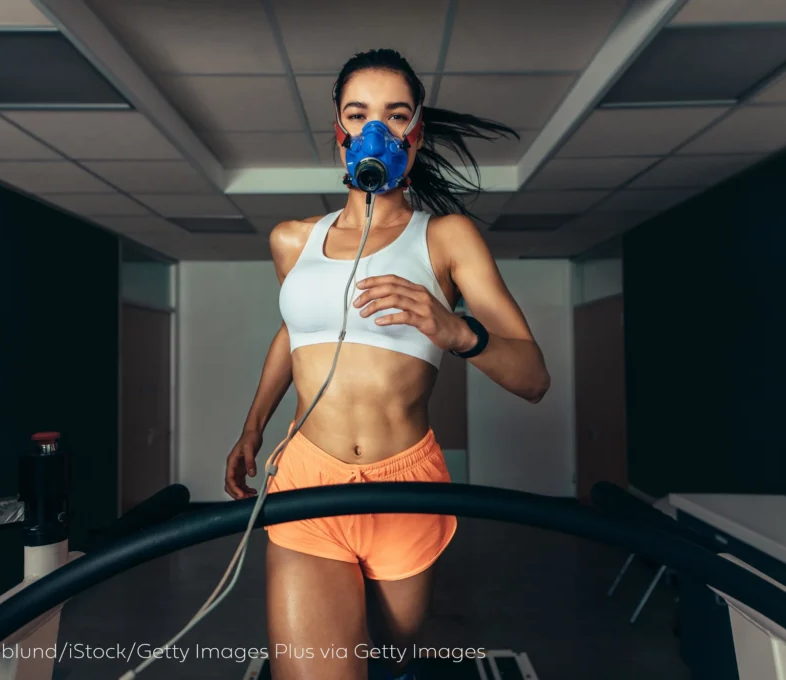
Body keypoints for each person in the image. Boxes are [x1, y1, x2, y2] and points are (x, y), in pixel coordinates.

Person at [224, 48, 551, 680]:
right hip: (307, 481)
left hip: (406, 484)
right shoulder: (292, 239)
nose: (377, 129)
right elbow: (296, 329)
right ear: (339, 133)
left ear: (416, 132)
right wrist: (252, 426)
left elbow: (534, 378)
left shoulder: (447, 237)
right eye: (359, 112)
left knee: (391, 660)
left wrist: (457, 331)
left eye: (396, 114)